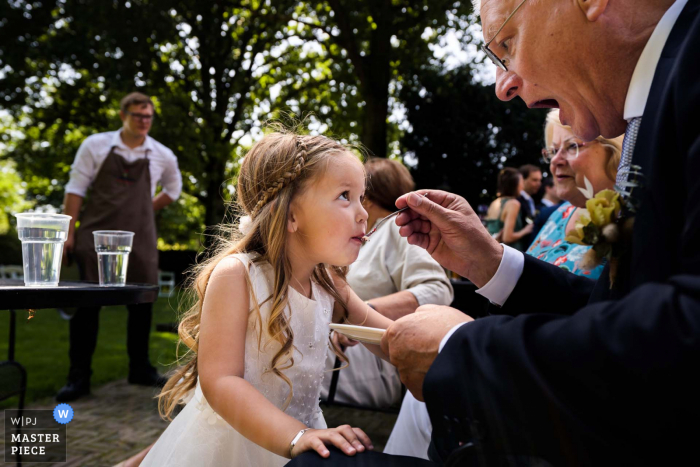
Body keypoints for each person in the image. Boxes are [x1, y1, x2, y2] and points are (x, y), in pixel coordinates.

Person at [376, 0, 700, 465]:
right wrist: (491, 262)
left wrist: (460, 352)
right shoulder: (663, 95)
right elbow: (619, 309)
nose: (503, 86)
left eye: (507, 44)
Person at [141, 131, 417, 467]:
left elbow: (391, 341)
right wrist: (297, 435)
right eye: (345, 196)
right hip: (234, 448)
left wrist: (449, 352)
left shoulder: (330, 283)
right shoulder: (238, 276)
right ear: (290, 215)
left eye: (362, 197)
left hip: (303, 439)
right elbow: (221, 380)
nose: (363, 214)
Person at [382, 109, 623, 459]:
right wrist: (487, 260)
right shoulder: (555, 216)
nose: (555, 161)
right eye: (550, 151)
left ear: (616, 148)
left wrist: (463, 344)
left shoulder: (632, 220)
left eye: (571, 146)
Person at [57, 92, 182, 402]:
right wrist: (68, 233)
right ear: (123, 115)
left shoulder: (161, 154)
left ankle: (139, 369)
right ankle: (78, 378)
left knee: (141, 306)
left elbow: (174, 189)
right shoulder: (96, 146)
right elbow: (75, 190)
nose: (144, 122)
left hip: (139, 238)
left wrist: (143, 210)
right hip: (93, 236)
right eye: (138, 115)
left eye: (149, 116)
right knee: (86, 308)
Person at [320, 158, 453, 410]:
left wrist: (362, 313)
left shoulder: (397, 229)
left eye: (347, 193)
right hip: (345, 351)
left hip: (375, 359)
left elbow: (437, 290)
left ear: (367, 195)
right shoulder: (360, 239)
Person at [484, 168, 533, 252]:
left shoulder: (494, 203)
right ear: (515, 184)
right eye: (521, 183)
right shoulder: (513, 204)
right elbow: (507, 237)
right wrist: (526, 230)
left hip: (492, 251)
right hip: (510, 252)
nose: (523, 187)